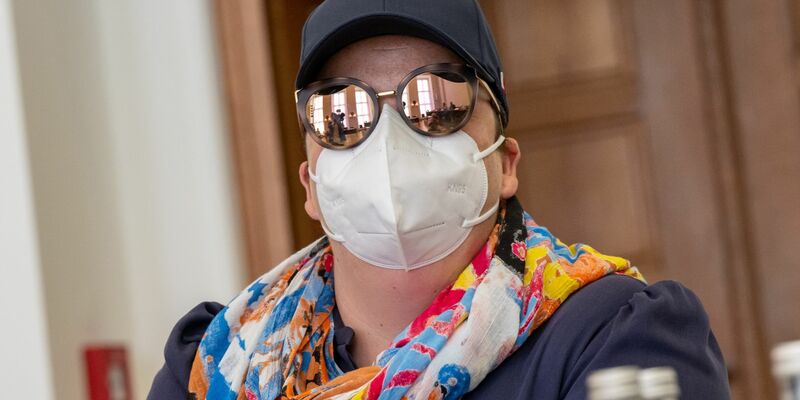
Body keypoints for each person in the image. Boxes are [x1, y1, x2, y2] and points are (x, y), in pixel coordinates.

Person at [148, 1, 731, 399]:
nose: (387, 143)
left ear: (505, 164)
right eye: (341, 113)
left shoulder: (611, 337)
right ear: (310, 187)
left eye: (435, 103)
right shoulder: (218, 363)